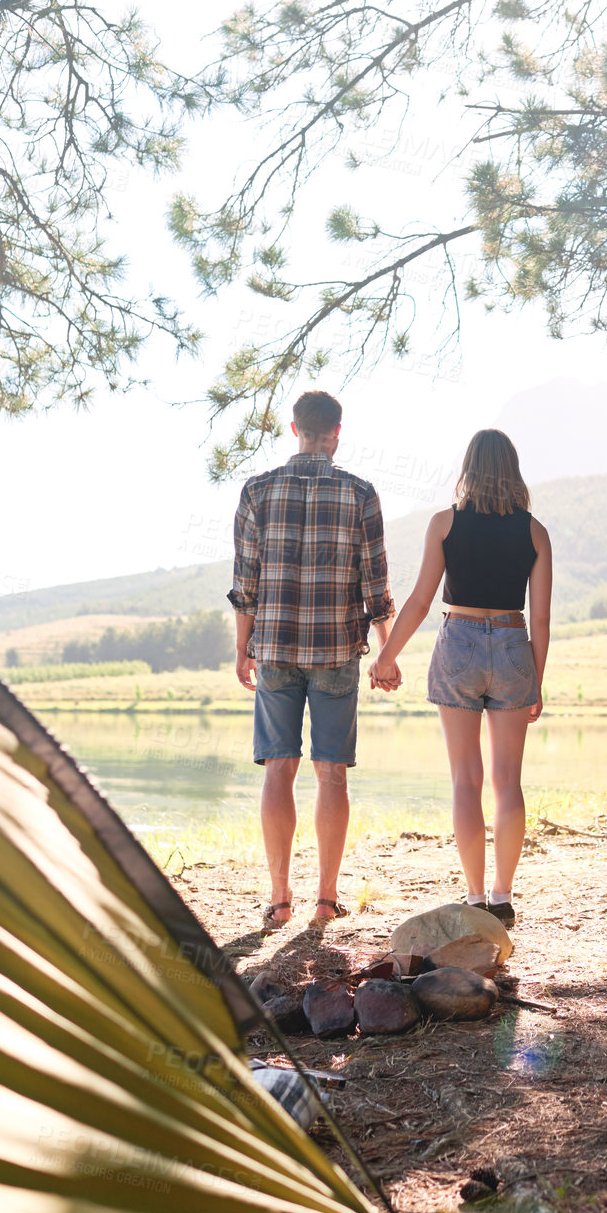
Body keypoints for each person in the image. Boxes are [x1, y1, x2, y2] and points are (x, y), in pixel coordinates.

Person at [228, 390, 395, 931]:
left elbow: (244, 585)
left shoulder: (256, 490)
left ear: (294, 428)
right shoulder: (359, 493)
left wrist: (242, 646)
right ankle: (325, 901)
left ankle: (279, 900)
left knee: (279, 768)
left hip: (274, 647)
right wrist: (386, 652)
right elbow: (377, 586)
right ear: (337, 433)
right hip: (336, 651)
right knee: (331, 775)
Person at [370, 429, 551, 927]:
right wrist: (535, 679)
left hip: (460, 642)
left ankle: (474, 898)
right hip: (514, 642)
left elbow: (421, 602)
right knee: (507, 782)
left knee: (465, 780)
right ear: (512, 470)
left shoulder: (445, 524)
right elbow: (542, 620)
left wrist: (386, 656)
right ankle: (503, 895)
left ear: (469, 468)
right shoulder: (535, 532)